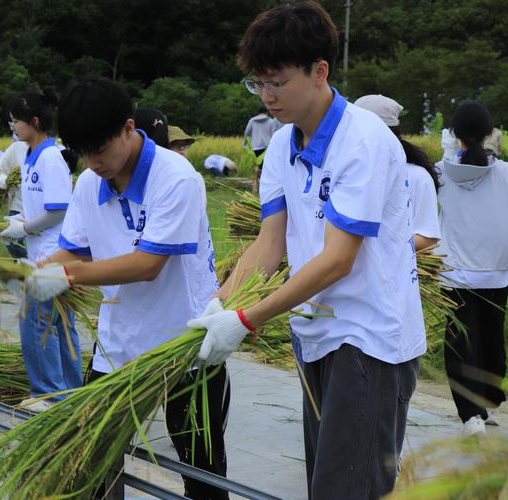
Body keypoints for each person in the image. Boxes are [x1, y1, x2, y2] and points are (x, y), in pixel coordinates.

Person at [186, 3, 425, 498]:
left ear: (320, 72)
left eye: (277, 82)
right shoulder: (280, 146)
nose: (267, 96)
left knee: (347, 490)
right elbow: (269, 244)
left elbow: (340, 259)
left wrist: (248, 319)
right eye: (258, 84)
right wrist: (220, 303)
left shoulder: (365, 141)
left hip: (369, 340)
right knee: (327, 484)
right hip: (314, 336)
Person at [24, 77, 226, 499]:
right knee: (91, 458)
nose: (93, 163)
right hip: (117, 346)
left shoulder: (177, 178)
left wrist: (66, 277)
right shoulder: (88, 183)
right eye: (83, 153)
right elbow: (75, 252)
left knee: (202, 473)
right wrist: (38, 270)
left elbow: (148, 264)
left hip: (185, 345)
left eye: (100, 150)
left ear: (129, 128)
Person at [437, 101, 508, 436]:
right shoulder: (506, 174)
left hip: (453, 276)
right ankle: (474, 412)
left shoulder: (439, 174)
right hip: (495, 273)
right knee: (490, 344)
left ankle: (473, 411)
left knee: (464, 345)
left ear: (453, 135)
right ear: (490, 133)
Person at [0, 90, 82, 409]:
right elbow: (40, 206)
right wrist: (20, 219)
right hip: (40, 250)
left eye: (15, 121)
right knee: (56, 321)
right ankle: (68, 392)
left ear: (34, 121)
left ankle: (49, 392)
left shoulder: (51, 157)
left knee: (37, 323)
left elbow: (59, 210)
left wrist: (26, 227)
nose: (13, 126)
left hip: (52, 255)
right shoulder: (30, 155)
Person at [355, 94, 441, 250]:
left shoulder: (417, 177)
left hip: (395, 272)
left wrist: (378, 252)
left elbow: (427, 237)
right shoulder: (348, 172)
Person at [0, 139, 29, 259]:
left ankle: (31, 267)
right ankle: (24, 268)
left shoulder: (51, 152)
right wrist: (3, 178)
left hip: (37, 208)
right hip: (17, 205)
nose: (14, 126)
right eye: (12, 122)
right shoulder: (16, 147)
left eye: (16, 122)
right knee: (12, 242)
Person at [243, 105, 281, 187]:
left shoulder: (252, 121)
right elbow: (274, 134)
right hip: (268, 148)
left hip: (255, 148)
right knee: (266, 168)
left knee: (259, 167)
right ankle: (264, 185)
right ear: (267, 112)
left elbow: (247, 133)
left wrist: (245, 144)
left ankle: (259, 186)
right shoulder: (271, 121)